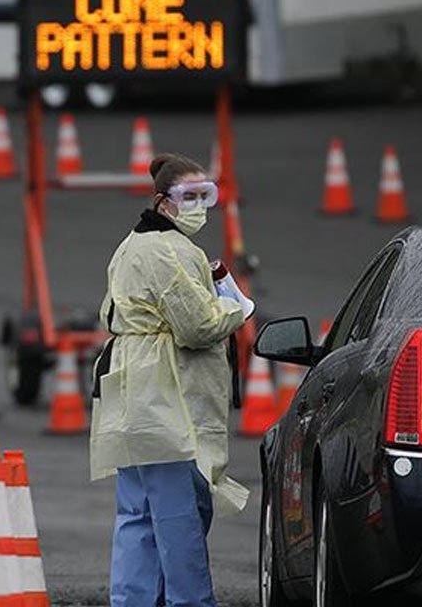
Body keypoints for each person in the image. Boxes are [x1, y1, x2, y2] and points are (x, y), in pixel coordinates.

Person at [92, 152, 254, 606]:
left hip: (132, 398)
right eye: (190, 196)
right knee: (180, 515)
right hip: (167, 401)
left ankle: (135, 600)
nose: (200, 205)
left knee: (137, 513)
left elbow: (110, 312)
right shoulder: (173, 251)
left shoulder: (130, 245)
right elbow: (198, 326)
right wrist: (236, 308)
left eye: (207, 195)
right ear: (164, 202)